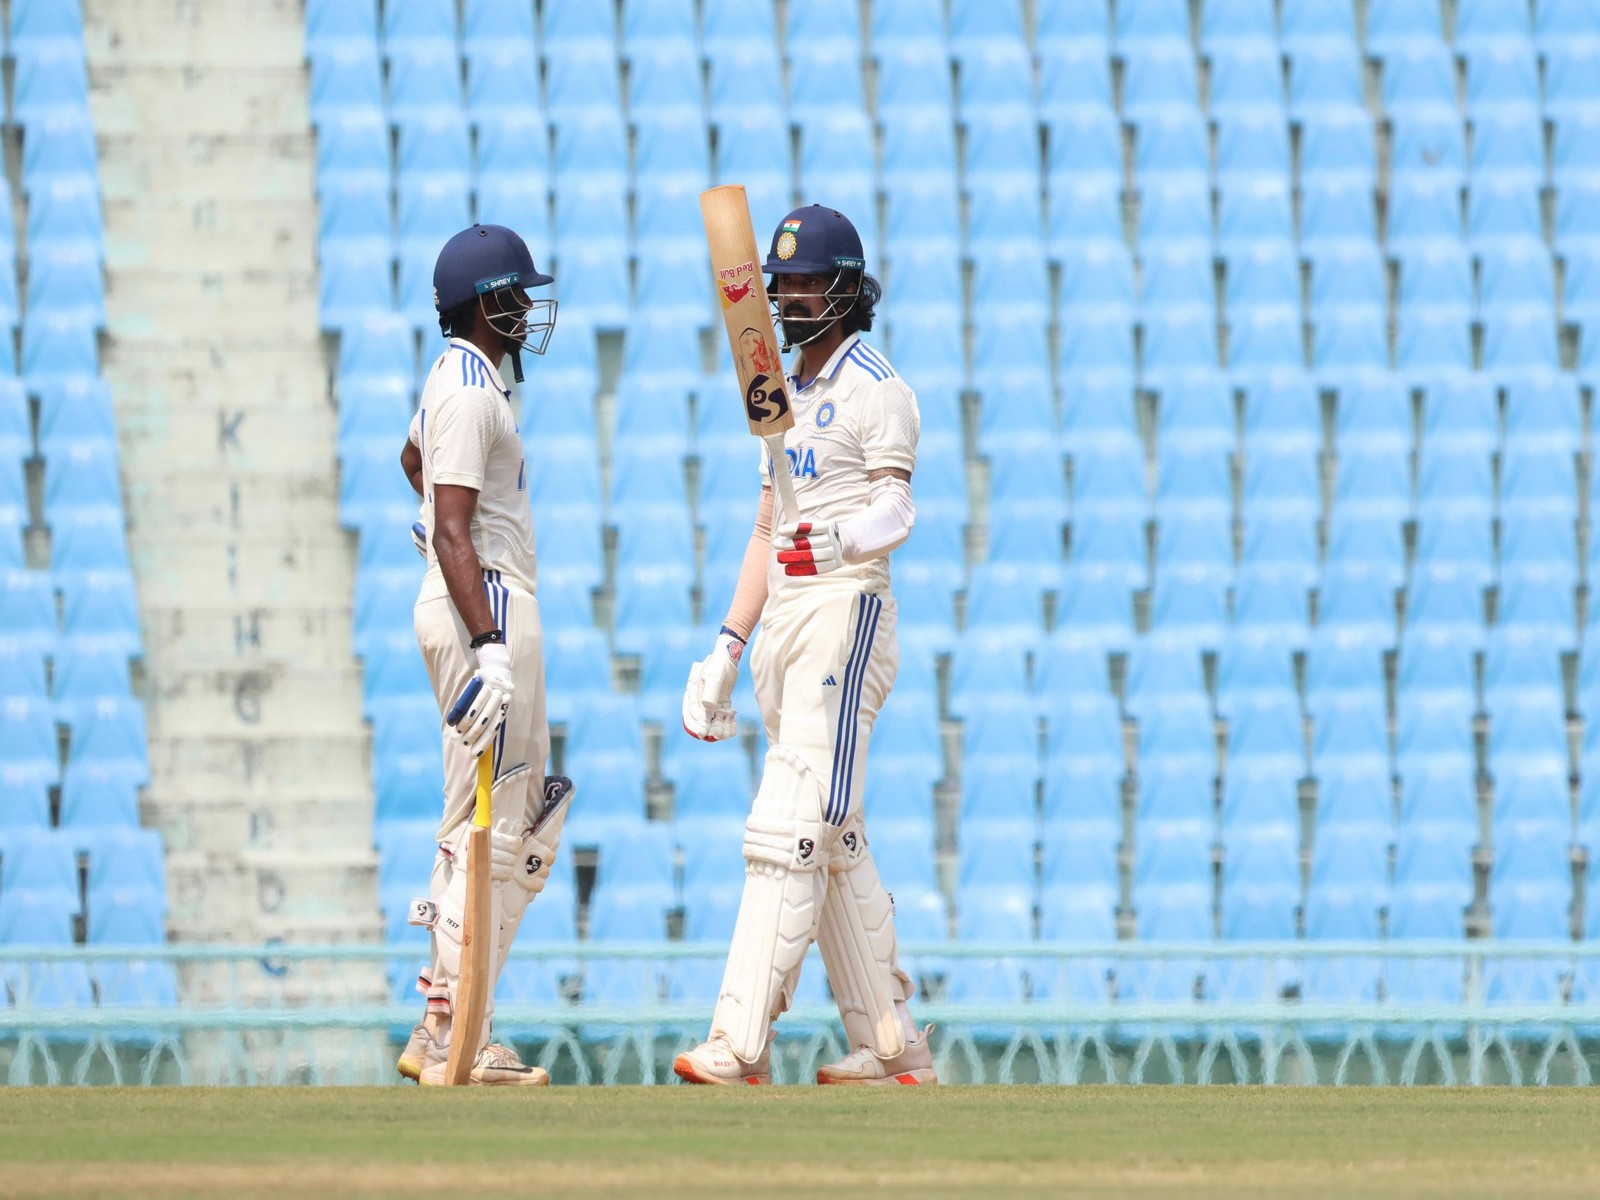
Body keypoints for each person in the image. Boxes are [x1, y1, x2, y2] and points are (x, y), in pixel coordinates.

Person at [674, 205, 936, 1086]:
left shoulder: (878, 386)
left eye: (803, 282)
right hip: (783, 622)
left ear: (848, 290)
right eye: (778, 284)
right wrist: (724, 645)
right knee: (833, 829)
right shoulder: (779, 396)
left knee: (787, 820)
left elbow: (899, 508)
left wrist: (842, 542)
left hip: (847, 611)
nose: (785, 297)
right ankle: (895, 1047)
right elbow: (764, 527)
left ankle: (742, 1043)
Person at [394, 223, 574, 1087]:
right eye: (516, 294)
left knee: (487, 814)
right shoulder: (471, 390)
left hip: (474, 594)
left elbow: (412, 462)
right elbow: (457, 527)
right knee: (497, 826)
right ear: (482, 302)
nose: (527, 308)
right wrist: (492, 644)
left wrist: (435, 521)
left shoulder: (454, 382)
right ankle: (469, 1037)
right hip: (487, 601)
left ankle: (441, 1023)